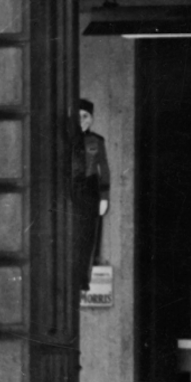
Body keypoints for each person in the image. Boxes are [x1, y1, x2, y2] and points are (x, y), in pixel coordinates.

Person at [72, 98, 110, 295]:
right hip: (71, 189)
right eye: (78, 116)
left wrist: (104, 197)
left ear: (91, 118)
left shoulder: (97, 140)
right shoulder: (66, 140)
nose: (81, 120)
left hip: (90, 189)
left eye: (85, 116)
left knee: (88, 235)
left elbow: (103, 169)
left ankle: (83, 278)